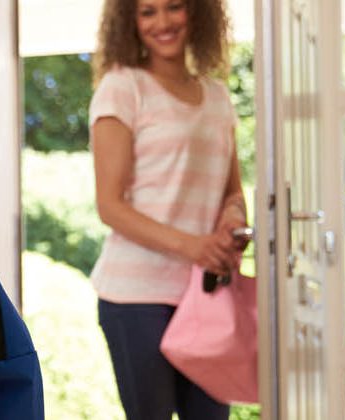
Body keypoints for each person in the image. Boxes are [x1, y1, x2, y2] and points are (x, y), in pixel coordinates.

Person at [88, 0, 246, 418]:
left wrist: (232, 222)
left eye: (174, 7)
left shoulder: (217, 96)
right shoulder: (123, 88)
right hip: (135, 293)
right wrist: (194, 246)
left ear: (196, 12)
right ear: (130, 22)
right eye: (147, 12)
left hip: (206, 293)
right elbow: (110, 205)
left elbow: (232, 191)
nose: (163, 22)